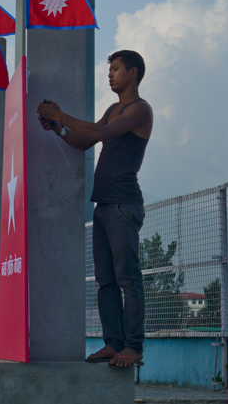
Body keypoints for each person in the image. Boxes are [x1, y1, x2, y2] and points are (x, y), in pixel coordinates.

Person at [36, 50, 152, 369]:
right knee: (106, 280)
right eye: (109, 69)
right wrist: (57, 128)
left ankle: (133, 347)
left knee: (128, 278)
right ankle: (113, 343)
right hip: (103, 205)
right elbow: (84, 142)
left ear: (133, 72)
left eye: (115, 68)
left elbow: (101, 133)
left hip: (123, 204)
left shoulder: (140, 109)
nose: (110, 74)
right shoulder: (113, 109)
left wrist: (60, 114)